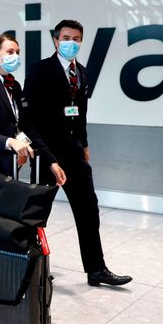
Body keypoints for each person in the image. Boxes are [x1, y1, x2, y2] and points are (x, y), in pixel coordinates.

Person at [23, 19, 132, 287]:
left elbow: (80, 112)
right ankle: (28, 265)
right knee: (37, 214)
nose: (71, 42)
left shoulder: (81, 72)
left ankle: (96, 269)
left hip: (73, 155)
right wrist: (47, 158)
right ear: (55, 40)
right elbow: (27, 120)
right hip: (47, 157)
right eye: (66, 37)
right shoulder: (40, 71)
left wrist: (84, 144)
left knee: (88, 210)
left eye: (77, 38)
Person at [0, 33, 66, 301]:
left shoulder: (15, 86)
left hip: (7, 169)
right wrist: (10, 142)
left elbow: (27, 127)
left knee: (2, 226)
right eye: (9, 52)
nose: (15, 57)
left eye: (17, 51)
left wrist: (51, 159)